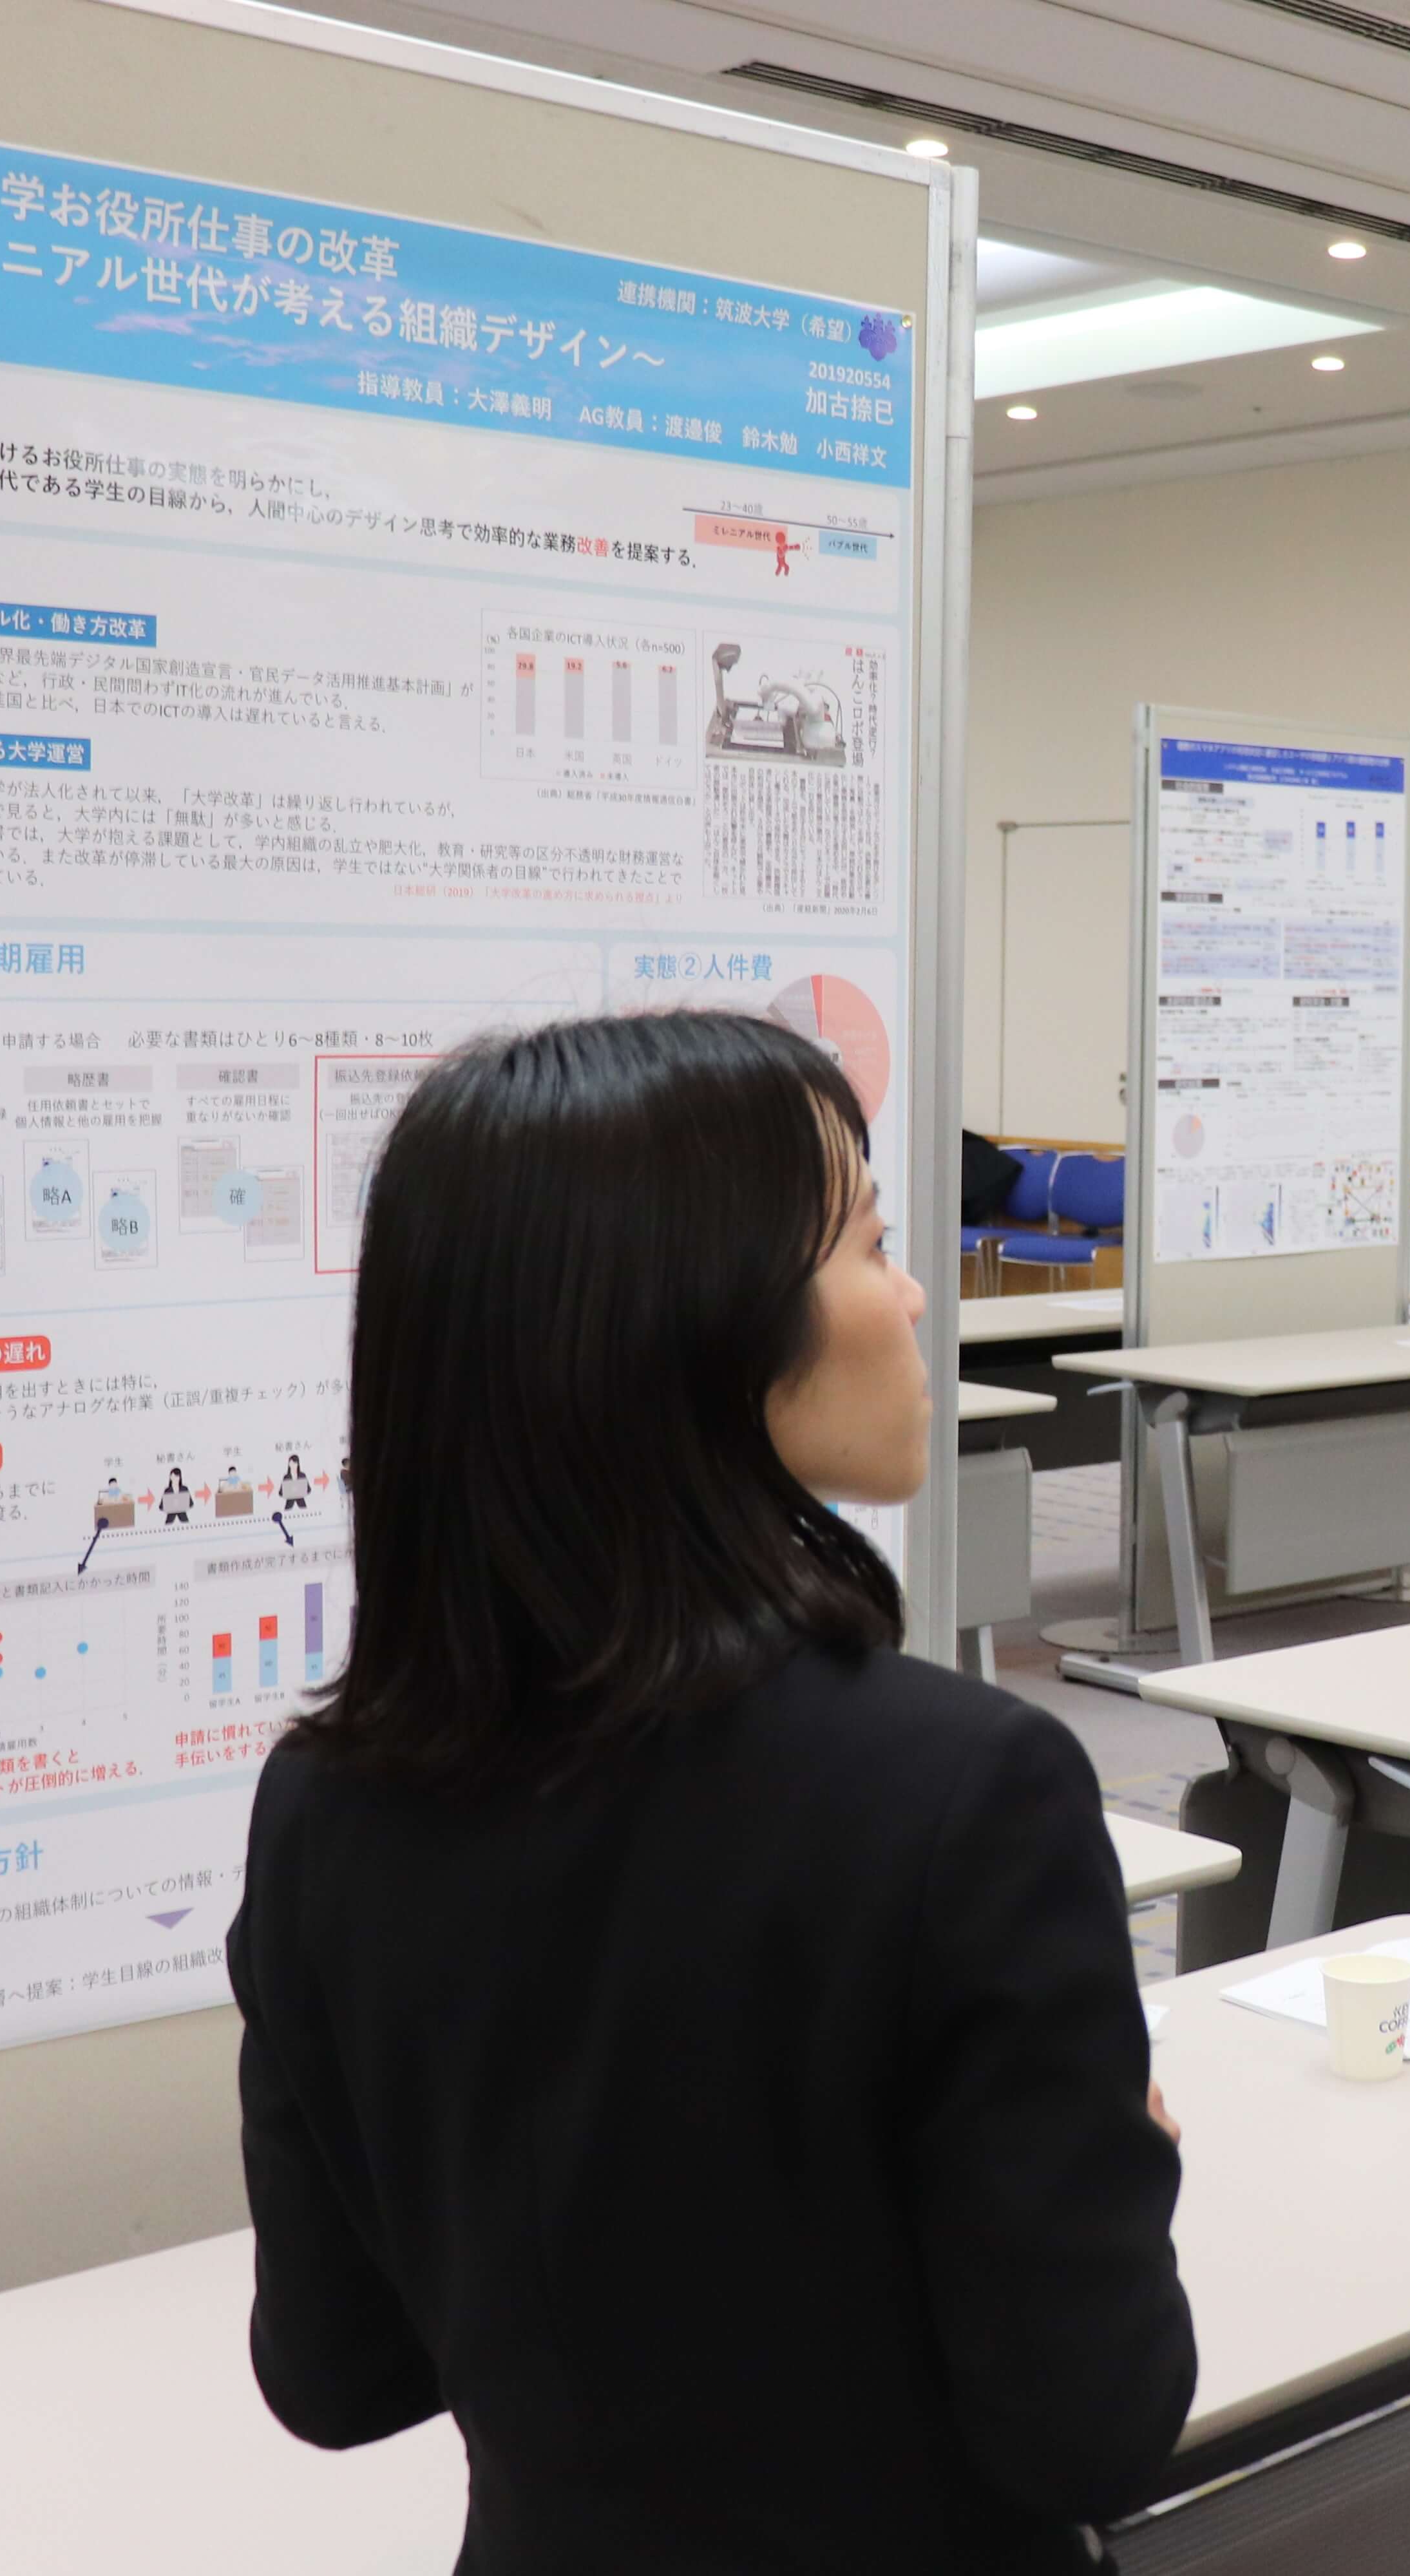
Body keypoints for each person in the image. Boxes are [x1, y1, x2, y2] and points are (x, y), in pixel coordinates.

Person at [227, 1011, 1196, 2573]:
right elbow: (1093, 2426)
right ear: (705, 1326)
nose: (911, 1294)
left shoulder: (326, 1801)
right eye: (870, 1243)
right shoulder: (966, 1791)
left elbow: (338, 2372)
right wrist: (1118, 2148)